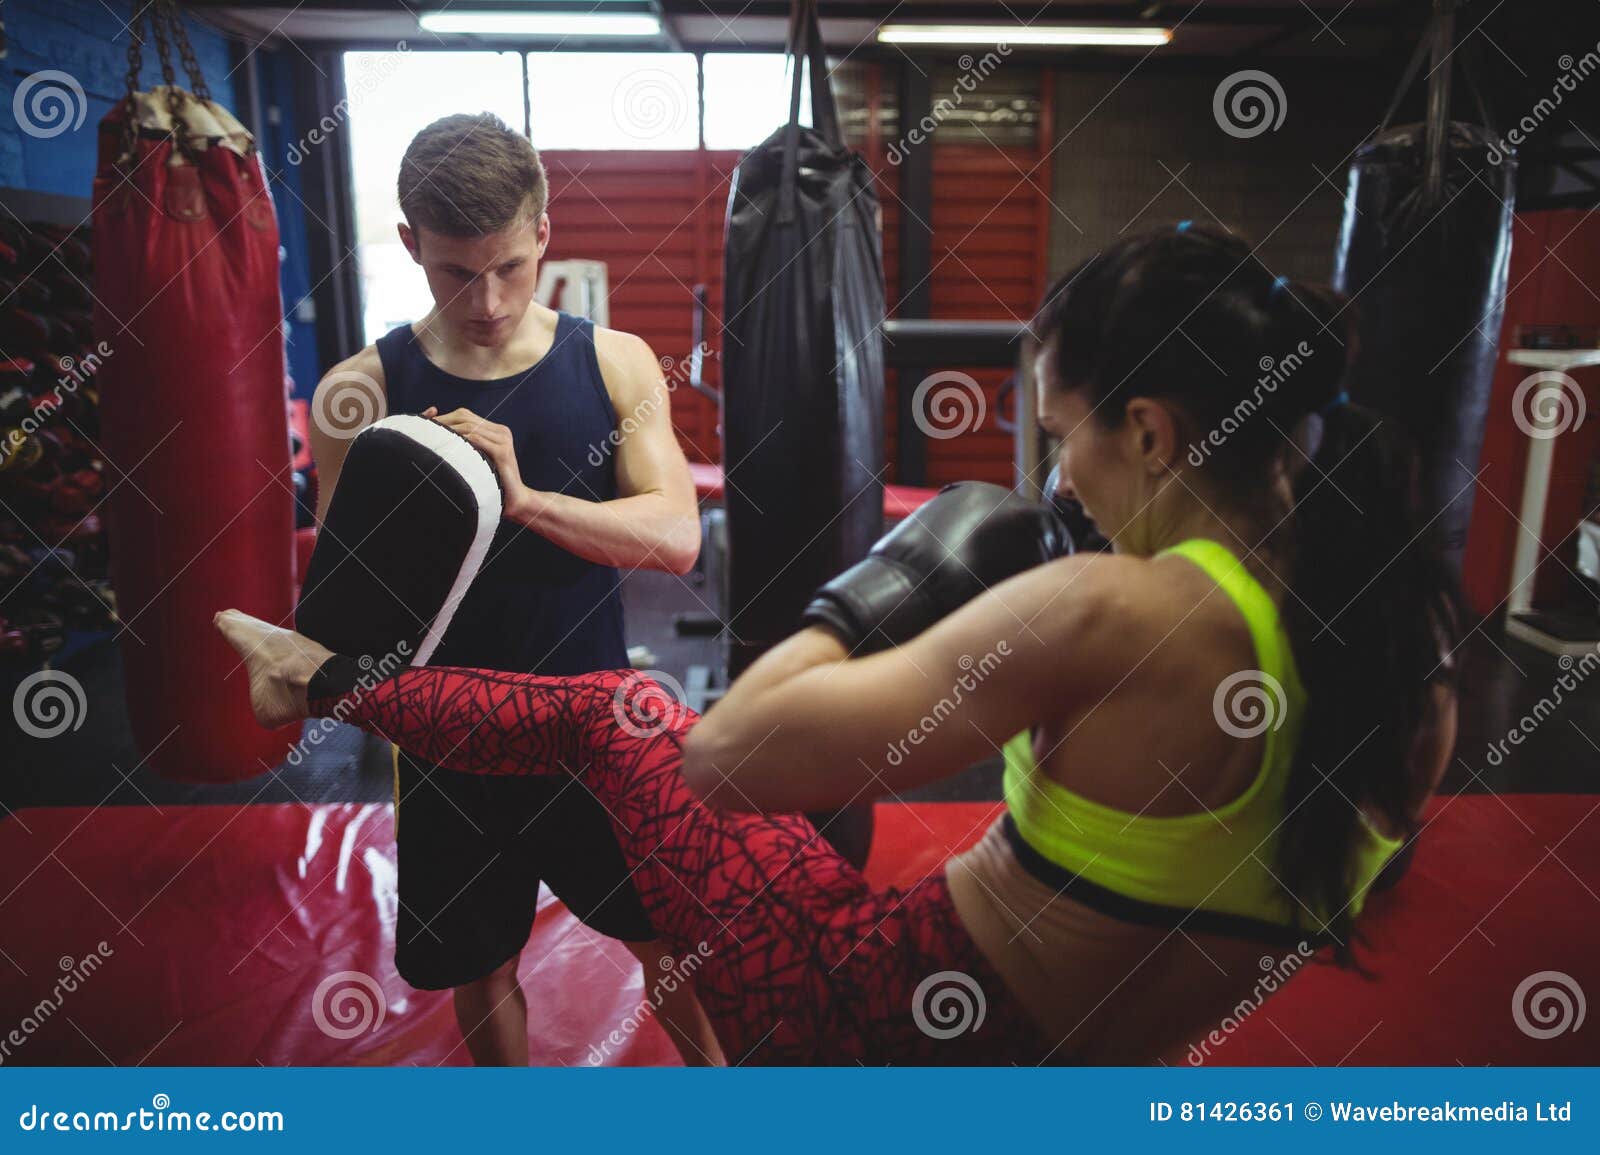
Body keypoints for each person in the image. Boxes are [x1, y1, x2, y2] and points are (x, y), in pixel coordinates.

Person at [232, 223, 1461, 1064]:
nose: (1064, 480)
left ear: (1147, 430)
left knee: (617, 711)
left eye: (1065, 435)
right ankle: (322, 676)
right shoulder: (1410, 665)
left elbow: (732, 763)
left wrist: (880, 586)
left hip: (866, 1023)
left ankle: (317, 675)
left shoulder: (1108, 611)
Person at [304, 112, 722, 1066]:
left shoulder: (613, 362)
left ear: (544, 231)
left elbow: (675, 535)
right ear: (410, 245)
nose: (487, 300)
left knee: (667, 944)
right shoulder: (359, 392)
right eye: (456, 272)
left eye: (508, 267)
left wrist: (522, 500)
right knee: (481, 966)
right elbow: (345, 600)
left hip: (592, 721)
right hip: (448, 742)